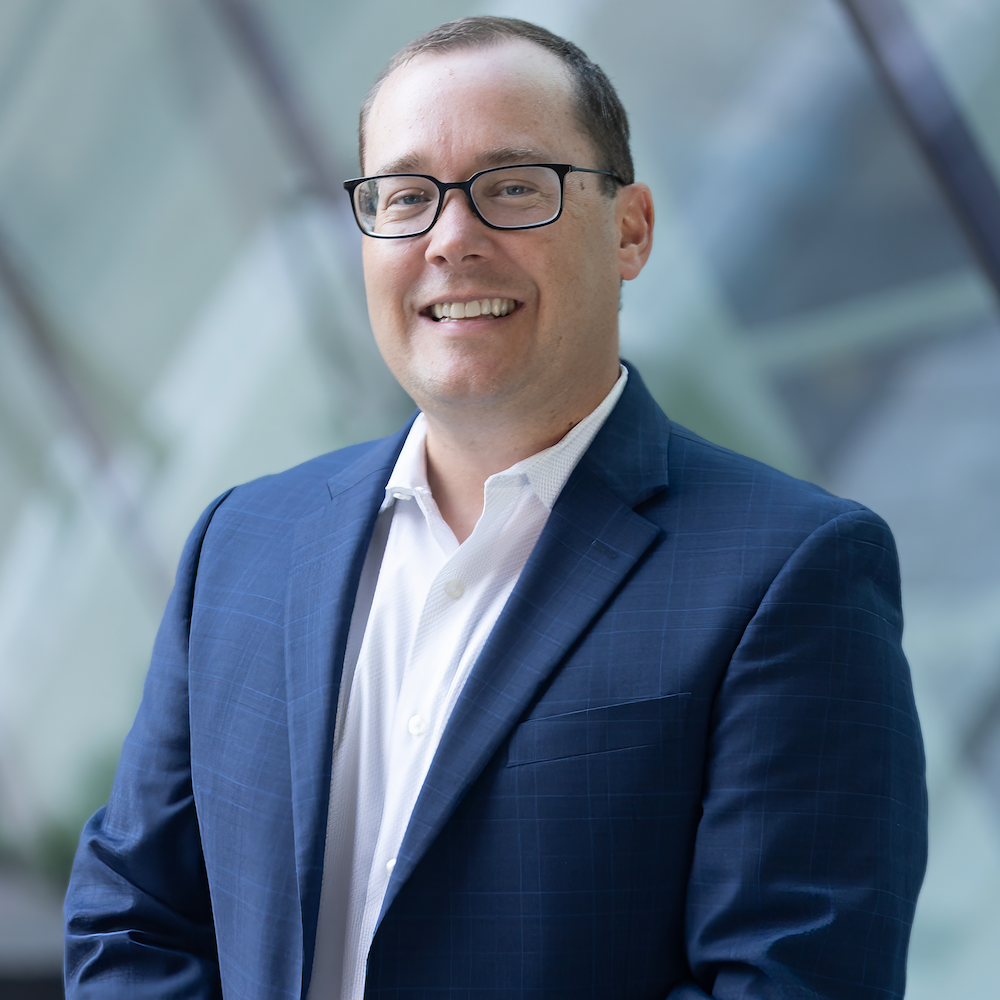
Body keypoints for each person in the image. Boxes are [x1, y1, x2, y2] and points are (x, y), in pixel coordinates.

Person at [64, 16, 927, 1000]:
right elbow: (130, 916)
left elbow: (789, 982)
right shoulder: (241, 544)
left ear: (630, 227)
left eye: (513, 187)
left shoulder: (792, 572)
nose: (451, 239)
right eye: (405, 196)